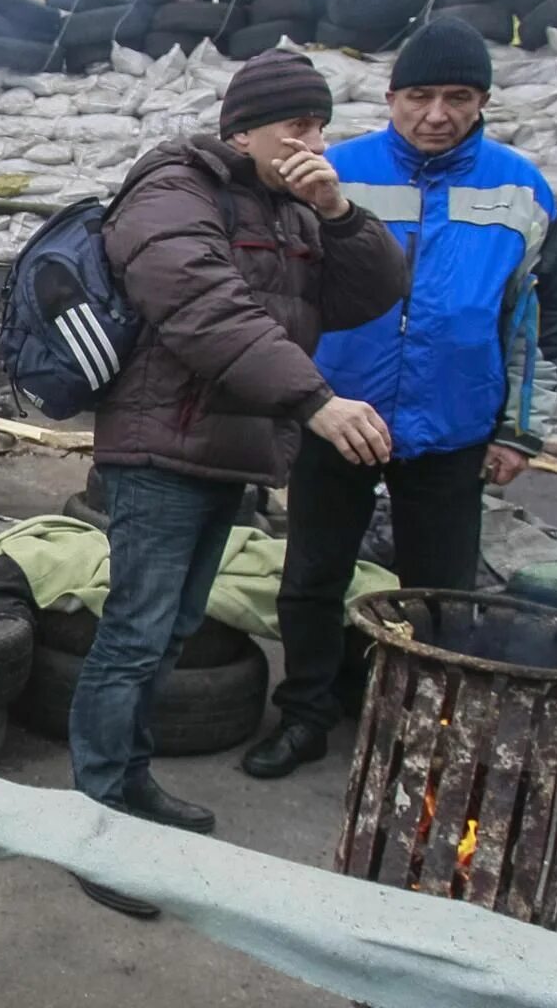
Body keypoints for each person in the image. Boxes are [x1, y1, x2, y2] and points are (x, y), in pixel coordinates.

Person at [73, 51, 408, 919]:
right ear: (241, 131)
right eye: (295, 126)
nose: (313, 142)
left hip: (233, 446)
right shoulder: (173, 189)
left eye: (321, 125)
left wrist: (336, 210)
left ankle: (132, 783)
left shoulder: (296, 205)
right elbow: (203, 307)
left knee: (175, 629)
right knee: (136, 635)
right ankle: (92, 821)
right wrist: (316, 402)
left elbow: (374, 292)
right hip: (159, 448)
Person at [244, 18, 557, 780]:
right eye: (419, 95)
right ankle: (306, 716)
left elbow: (538, 320)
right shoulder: (334, 170)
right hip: (339, 413)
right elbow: (277, 292)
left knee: (439, 597)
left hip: (453, 424)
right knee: (313, 578)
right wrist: (289, 399)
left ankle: (422, 730)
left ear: (482, 100)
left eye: (458, 97)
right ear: (390, 97)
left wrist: (520, 432)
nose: (436, 114)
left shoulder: (521, 188)